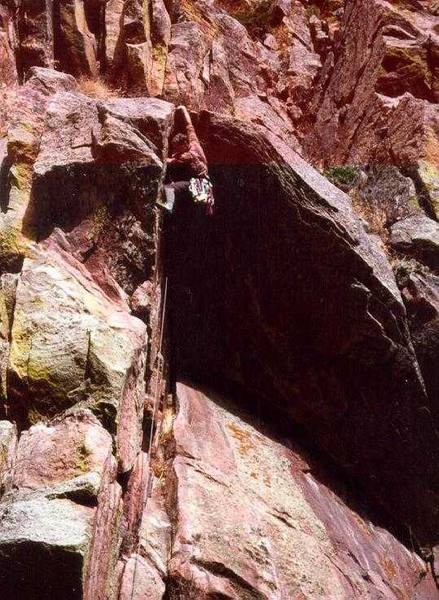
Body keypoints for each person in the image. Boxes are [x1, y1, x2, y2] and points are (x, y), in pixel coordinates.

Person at [160, 106, 214, 215]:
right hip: (204, 188)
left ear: (184, 144)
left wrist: (158, 159)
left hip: (200, 188)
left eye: (177, 148)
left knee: (169, 188)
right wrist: (182, 109)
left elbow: (169, 161)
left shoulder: (187, 156)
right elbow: (189, 126)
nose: (175, 151)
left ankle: (169, 206)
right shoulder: (194, 143)